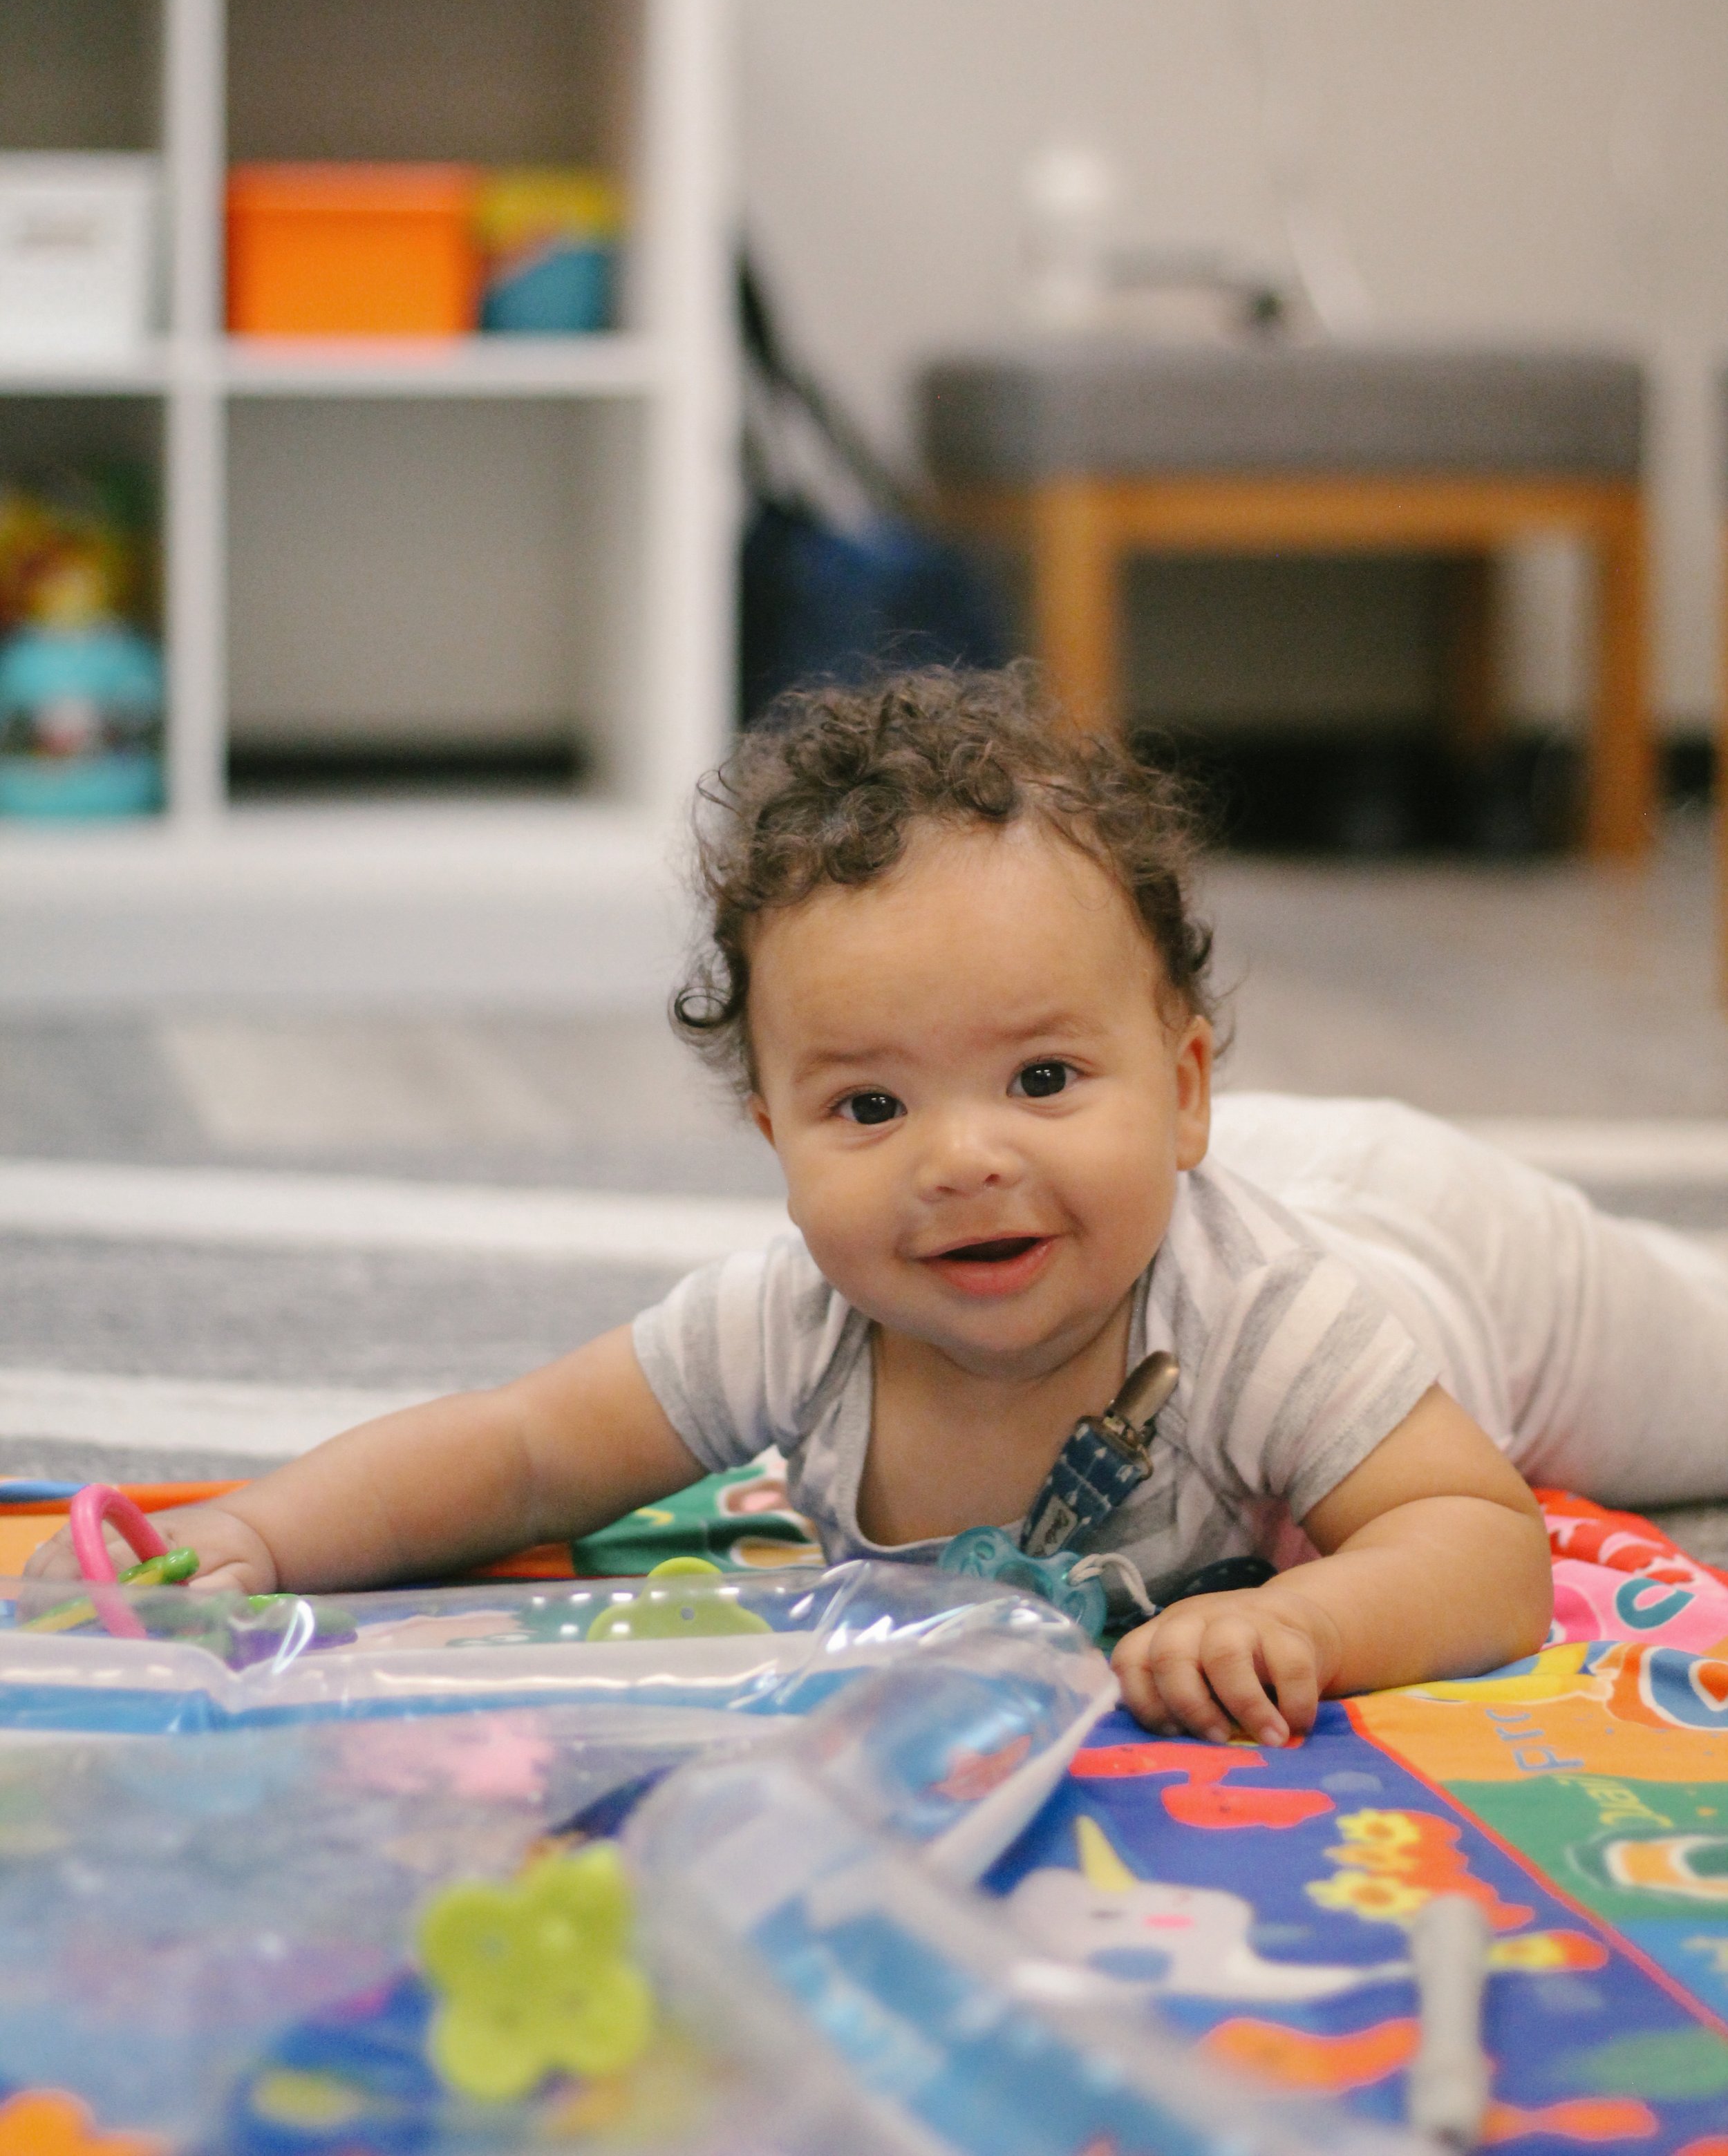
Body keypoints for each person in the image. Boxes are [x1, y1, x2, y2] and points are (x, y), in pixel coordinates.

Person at [27, 668, 1728, 1748]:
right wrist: (264, 1531)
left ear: (1184, 1086)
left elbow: (1481, 1549)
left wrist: (1302, 1617)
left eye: (1043, 1079)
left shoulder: (1267, 1318)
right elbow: (525, 1449)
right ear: (771, 1131)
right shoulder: (796, 1313)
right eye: (868, 1106)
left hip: (1423, 1236)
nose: (960, 1159)